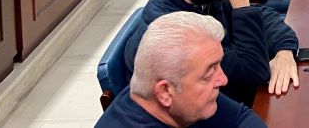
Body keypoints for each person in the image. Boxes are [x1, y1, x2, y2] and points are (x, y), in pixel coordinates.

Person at [123, 0, 300, 107]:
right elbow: (254, 72)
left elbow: (263, 15)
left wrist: (284, 51)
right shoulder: (177, 36)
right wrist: (241, 6)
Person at [97, 11, 266, 128]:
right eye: (209, 73)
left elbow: (240, 117)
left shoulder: (180, 98)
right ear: (165, 92)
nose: (223, 79)